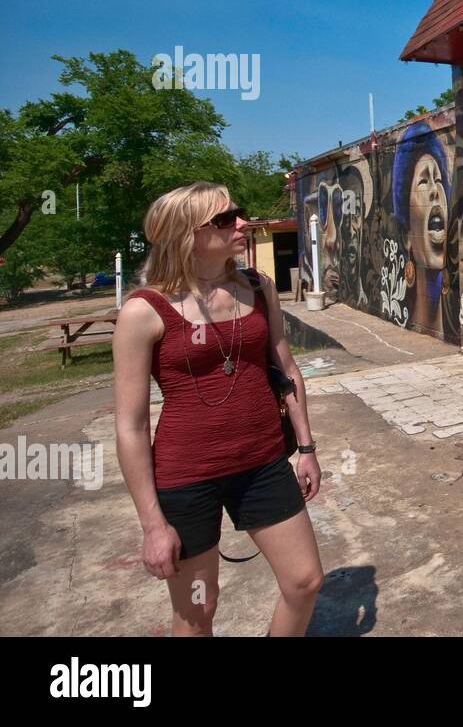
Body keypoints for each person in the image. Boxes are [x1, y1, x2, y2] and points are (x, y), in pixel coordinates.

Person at [112, 181, 324, 636]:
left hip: (263, 463)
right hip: (186, 476)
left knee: (305, 581)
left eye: (239, 213)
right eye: (225, 219)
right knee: (198, 609)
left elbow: (286, 368)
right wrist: (152, 524)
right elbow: (130, 425)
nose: (242, 224)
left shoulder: (256, 287)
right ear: (186, 233)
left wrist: (306, 447)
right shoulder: (143, 311)